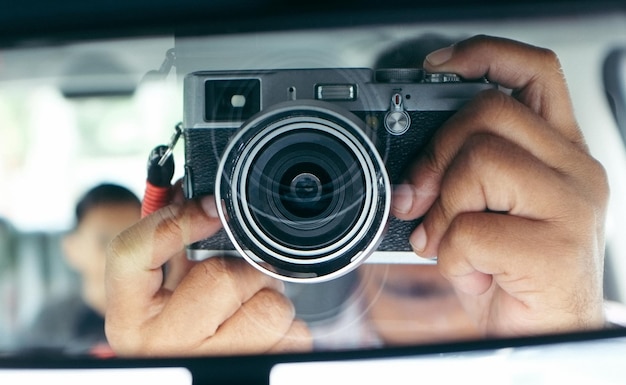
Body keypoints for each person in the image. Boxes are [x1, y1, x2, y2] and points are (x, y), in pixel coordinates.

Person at [104, 35, 608, 356]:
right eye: (343, 163)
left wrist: (567, 337)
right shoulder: (267, 343)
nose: (397, 197)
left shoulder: (600, 333)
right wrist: (174, 374)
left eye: (457, 182)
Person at [23, 183, 141, 355]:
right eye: (105, 241)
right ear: (71, 248)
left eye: (135, 240)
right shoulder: (51, 323)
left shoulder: (164, 313)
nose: (121, 254)